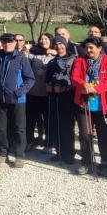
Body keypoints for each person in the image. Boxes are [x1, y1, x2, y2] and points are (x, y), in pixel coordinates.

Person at [70, 37, 107, 177]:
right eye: (87, 48)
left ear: (99, 48)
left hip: (103, 106)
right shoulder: (79, 61)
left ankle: (105, 163)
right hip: (84, 104)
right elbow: (74, 77)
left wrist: (94, 89)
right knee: (85, 135)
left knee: (104, 136)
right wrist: (83, 84)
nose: (89, 50)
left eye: (92, 47)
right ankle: (86, 162)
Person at [0, 33, 35, 168]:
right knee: (1, 128)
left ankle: (19, 155)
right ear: (1, 43)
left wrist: (19, 92)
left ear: (15, 43)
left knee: (19, 128)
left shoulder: (21, 59)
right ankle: (3, 152)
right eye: (4, 42)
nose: (7, 44)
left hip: (17, 99)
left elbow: (30, 79)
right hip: (0, 99)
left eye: (10, 42)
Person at [45, 36, 77, 164]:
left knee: (67, 126)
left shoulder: (75, 60)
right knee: (56, 124)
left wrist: (65, 88)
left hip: (68, 96)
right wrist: (49, 86)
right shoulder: (52, 62)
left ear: (66, 45)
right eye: (56, 44)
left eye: (61, 44)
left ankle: (69, 153)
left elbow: (76, 79)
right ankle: (59, 152)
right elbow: (48, 78)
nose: (59, 46)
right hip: (54, 95)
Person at [26, 33, 54, 152]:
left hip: (48, 93)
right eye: (41, 39)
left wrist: (45, 73)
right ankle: (30, 141)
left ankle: (48, 142)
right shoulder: (33, 54)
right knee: (31, 119)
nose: (43, 41)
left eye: (46, 39)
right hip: (33, 92)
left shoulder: (54, 55)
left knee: (48, 120)